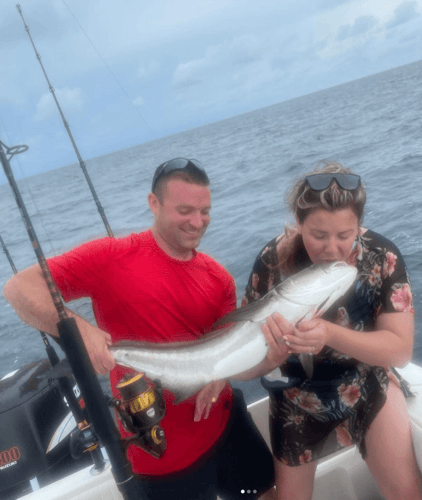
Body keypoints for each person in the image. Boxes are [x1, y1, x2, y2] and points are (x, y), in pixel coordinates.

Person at [3, 158, 275, 500]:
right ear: (154, 203)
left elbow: (223, 344)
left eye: (204, 211)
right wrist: (79, 330)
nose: (197, 222)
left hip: (225, 425)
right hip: (158, 457)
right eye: (185, 210)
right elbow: (18, 288)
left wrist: (220, 374)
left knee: (265, 493)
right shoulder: (110, 257)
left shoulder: (218, 277)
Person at [237, 161, 422, 500]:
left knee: (408, 493)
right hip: (297, 397)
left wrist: (329, 334)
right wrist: (271, 358)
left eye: (344, 235)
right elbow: (246, 365)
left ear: (359, 225)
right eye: (318, 235)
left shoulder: (381, 257)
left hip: (365, 380)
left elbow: (400, 350)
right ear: (298, 224)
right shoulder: (272, 262)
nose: (331, 249)